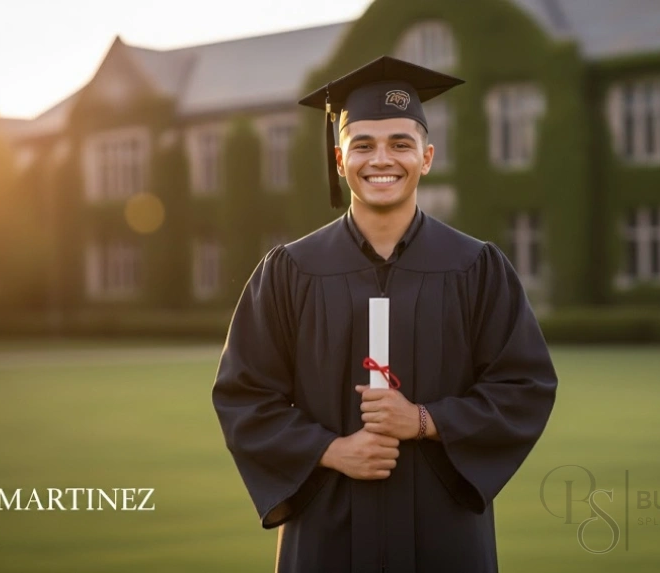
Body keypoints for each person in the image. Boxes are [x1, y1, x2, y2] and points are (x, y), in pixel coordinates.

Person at [212, 55, 557, 573]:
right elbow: (244, 396)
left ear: (427, 157)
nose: (381, 160)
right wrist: (331, 450)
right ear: (339, 159)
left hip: (442, 531)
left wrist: (424, 421)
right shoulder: (290, 271)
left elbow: (524, 387)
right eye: (363, 145)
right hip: (327, 528)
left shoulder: (476, 267)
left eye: (400, 144)